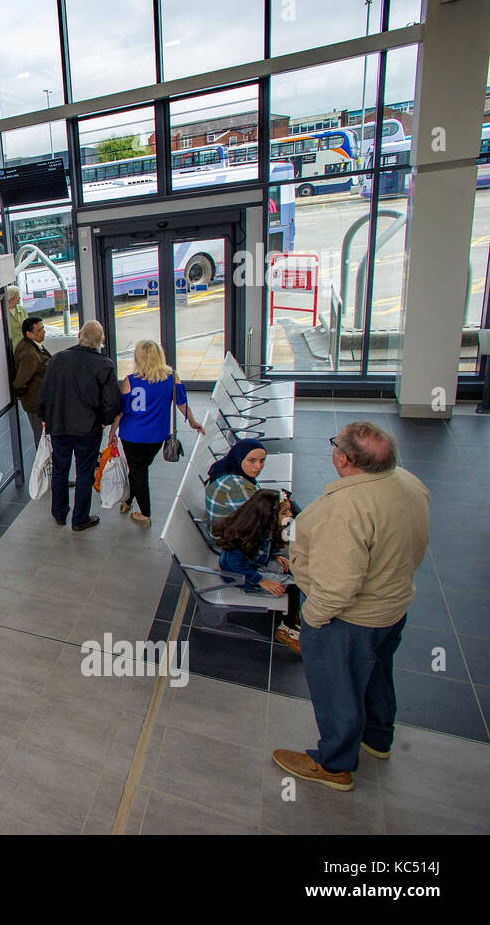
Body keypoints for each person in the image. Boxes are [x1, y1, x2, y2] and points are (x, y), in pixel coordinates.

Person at [273, 422, 430, 792]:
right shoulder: (408, 483)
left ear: (343, 459)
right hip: (392, 607)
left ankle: (333, 764)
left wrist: (312, 619)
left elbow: (340, 583)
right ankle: (377, 738)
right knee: (376, 675)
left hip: (348, 619)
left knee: (337, 690)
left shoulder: (347, 508)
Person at [107, 339, 204, 527]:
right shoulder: (172, 377)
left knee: (138, 471)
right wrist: (192, 422)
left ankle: (145, 513)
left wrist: (112, 431)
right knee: (139, 469)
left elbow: (121, 411)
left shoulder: (130, 380)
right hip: (157, 436)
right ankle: (127, 501)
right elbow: (182, 404)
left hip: (132, 435)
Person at [37, 320, 120, 531]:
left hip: (59, 426)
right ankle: (80, 518)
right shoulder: (104, 365)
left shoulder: (58, 359)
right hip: (88, 429)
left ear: (79, 335)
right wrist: (105, 421)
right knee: (84, 472)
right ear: (101, 341)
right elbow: (112, 401)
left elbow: (44, 392)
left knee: (60, 469)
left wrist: (45, 416)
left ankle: (59, 513)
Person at [211, 488, 302, 652]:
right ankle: (286, 628)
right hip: (240, 575)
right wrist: (262, 581)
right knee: (294, 586)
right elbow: (236, 565)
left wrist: (275, 555)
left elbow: (269, 544)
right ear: (268, 517)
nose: (289, 514)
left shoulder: (262, 528)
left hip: (254, 564)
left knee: (292, 570)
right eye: (285, 512)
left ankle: (292, 615)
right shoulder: (241, 535)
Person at [12, 316, 51, 447]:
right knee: (42, 440)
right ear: (29, 334)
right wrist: (21, 394)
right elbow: (20, 381)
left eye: (43, 328)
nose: (43, 332)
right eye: (39, 330)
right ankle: (44, 466)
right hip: (36, 403)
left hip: (38, 400)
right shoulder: (30, 354)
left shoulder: (32, 345)